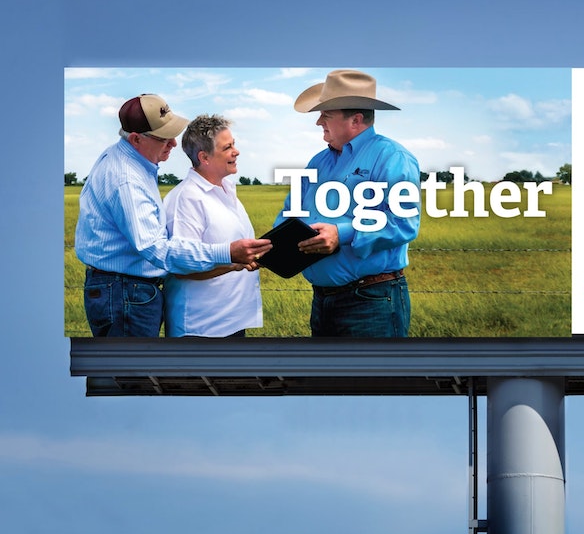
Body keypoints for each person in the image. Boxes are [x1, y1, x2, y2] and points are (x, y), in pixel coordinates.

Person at [75, 94, 272, 337]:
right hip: (125, 291)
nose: (173, 143)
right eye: (163, 138)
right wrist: (229, 254)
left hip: (125, 289)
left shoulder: (127, 160)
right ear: (136, 139)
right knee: (131, 363)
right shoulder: (127, 179)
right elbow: (158, 249)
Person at [275, 70, 420, 337]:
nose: (318, 121)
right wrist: (273, 247)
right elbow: (290, 212)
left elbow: (404, 223)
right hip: (322, 301)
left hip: (371, 302)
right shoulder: (318, 162)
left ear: (355, 120)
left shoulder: (392, 157)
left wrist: (340, 234)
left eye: (326, 114)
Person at [163, 115, 263, 337]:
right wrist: (234, 262)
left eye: (234, 144)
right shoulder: (187, 198)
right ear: (204, 157)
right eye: (228, 147)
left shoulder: (227, 190)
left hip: (232, 322)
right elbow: (181, 267)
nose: (236, 152)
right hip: (201, 329)